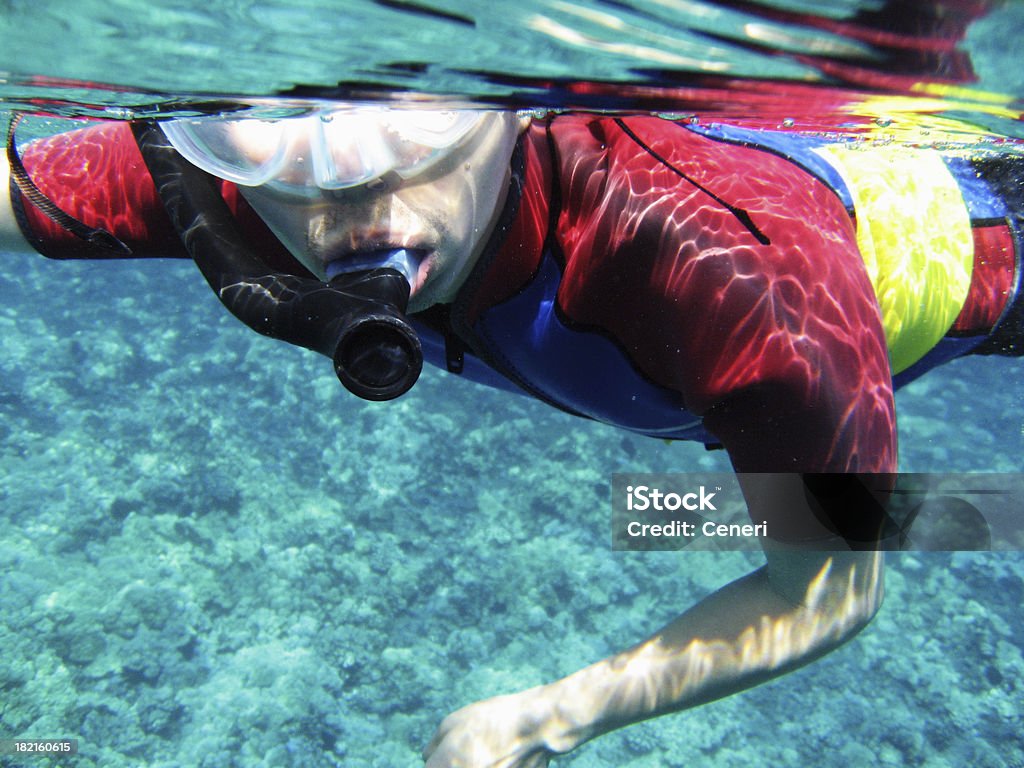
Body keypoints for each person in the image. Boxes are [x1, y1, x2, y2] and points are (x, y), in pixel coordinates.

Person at [2, 103, 1022, 767]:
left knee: (826, 527)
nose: (343, 177)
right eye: (268, 117)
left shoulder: (724, 270)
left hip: (991, 258)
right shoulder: (235, 185)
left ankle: (968, 507)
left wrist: (551, 715)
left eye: (409, 100)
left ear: (518, 102)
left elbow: (831, 595)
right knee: (692, 511)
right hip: (743, 378)